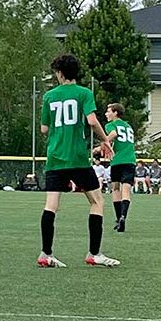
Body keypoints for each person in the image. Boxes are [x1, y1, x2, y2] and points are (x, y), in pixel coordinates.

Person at [37, 54, 119, 268]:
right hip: (78, 157)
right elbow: (92, 121)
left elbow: (44, 129)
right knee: (97, 201)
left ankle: (46, 253)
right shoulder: (84, 93)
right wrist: (105, 141)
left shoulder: (49, 96)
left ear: (60, 73)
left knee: (51, 205)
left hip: (55, 157)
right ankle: (94, 253)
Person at [104, 103, 136, 232]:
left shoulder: (111, 125)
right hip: (130, 160)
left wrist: (103, 143)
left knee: (116, 189)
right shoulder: (128, 126)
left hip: (118, 161)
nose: (107, 114)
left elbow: (113, 134)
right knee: (126, 190)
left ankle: (118, 219)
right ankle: (123, 216)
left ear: (115, 113)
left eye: (108, 111)